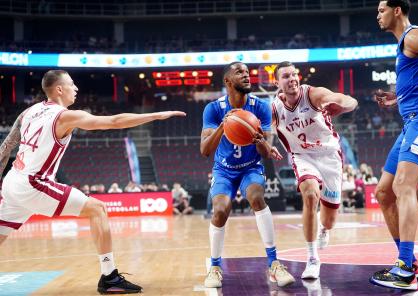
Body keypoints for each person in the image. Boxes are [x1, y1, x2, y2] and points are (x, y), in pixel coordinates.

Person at [0, 70, 186, 294]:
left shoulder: (28, 112)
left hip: (12, 180)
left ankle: (110, 277)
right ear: (59, 89)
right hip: (33, 183)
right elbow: (114, 122)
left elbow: (7, 145)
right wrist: (155, 115)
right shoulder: (64, 116)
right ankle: (110, 277)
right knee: (98, 209)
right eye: (71, 84)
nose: (76, 88)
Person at [200, 61, 295, 288]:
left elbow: (266, 152)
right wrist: (225, 126)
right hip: (223, 170)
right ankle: (214, 267)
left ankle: (274, 263)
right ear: (227, 81)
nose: (246, 75)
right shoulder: (213, 109)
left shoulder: (260, 106)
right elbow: (205, 150)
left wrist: (259, 139)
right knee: (220, 210)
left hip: (251, 167)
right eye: (239, 72)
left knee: (256, 198)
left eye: (247, 72)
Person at [370, 1, 418, 290]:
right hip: (411, 121)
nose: (378, 15)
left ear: (397, 10)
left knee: (403, 186)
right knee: (384, 192)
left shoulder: (413, 35)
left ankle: (404, 269)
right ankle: (409, 261)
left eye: (381, 10)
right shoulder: (405, 42)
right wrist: (397, 97)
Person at [272, 61, 357, 279]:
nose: (292, 78)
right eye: (285, 76)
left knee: (329, 220)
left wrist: (343, 105)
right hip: (302, 156)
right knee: (310, 194)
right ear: (277, 82)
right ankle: (312, 258)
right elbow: (262, 130)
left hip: (329, 156)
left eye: (294, 74)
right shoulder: (274, 108)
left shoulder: (314, 95)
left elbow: (349, 100)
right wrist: (264, 142)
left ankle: (324, 229)